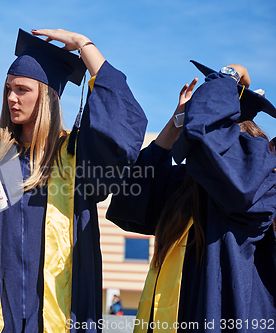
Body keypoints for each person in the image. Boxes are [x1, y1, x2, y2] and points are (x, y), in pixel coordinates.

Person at [0, 28, 147, 332]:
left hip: (58, 310)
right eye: (8, 89)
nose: (10, 98)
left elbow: (122, 128)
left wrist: (85, 46)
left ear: (47, 96)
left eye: (22, 90)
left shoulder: (76, 155)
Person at [106, 62, 276, 332]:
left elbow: (211, 136)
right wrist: (177, 120)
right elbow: (132, 198)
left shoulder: (260, 184)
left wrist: (230, 74)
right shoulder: (186, 187)